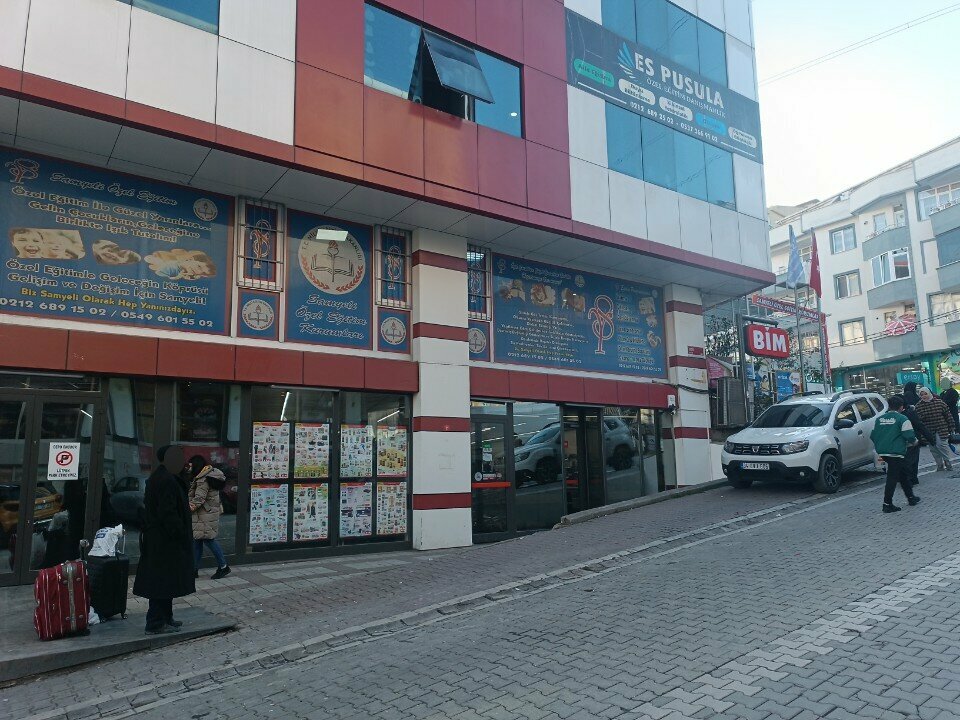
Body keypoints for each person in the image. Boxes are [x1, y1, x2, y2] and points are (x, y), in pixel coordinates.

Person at [132, 446, 196, 634]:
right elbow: (168, 512)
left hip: (161, 540)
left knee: (167, 582)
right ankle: (156, 622)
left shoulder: (162, 477)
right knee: (161, 582)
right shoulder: (166, 480)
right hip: (165, 541)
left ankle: (166, 617)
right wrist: (179, 532)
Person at [870, 396, 920, 513]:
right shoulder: (902, 418)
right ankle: (887, 504)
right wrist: (915, 442)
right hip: (896, 452)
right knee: (892, 477)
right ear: (901, 407)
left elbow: (873, 435)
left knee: (902, 474)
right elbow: (909, 435)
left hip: (882, 450)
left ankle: (911, 497)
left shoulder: (879, 419)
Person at [188, 463, 231, 580]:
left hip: (204, 515)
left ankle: (223, 566)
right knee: (197, 541)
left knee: (209, 540)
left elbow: (199, 499)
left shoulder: (203, 479)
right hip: (208, 513)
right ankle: (193, 569)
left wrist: (187, 508)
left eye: (191, 466)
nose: (189, 468)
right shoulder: (211, 475)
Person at [891, 394, 936, 486]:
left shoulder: (889, 416)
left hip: (898, 442)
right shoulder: (910, 413)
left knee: (902, 461)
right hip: (911, 441)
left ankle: (907, 479)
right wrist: (930, 438)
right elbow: (919, 426)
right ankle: (911, 479)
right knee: (912, 460)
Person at [914, 387, 955, 471]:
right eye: (921, 395)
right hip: (928, 430)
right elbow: (918, 420)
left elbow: (948, 415)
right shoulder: (918, 406)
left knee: (942, 444)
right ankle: (939, 465)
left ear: (929, 393)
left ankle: (947, 461)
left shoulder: (939, 402)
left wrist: (951, 427)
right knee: (933, 448)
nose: (924, 396)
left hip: (941, 428)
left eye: (925, 394)